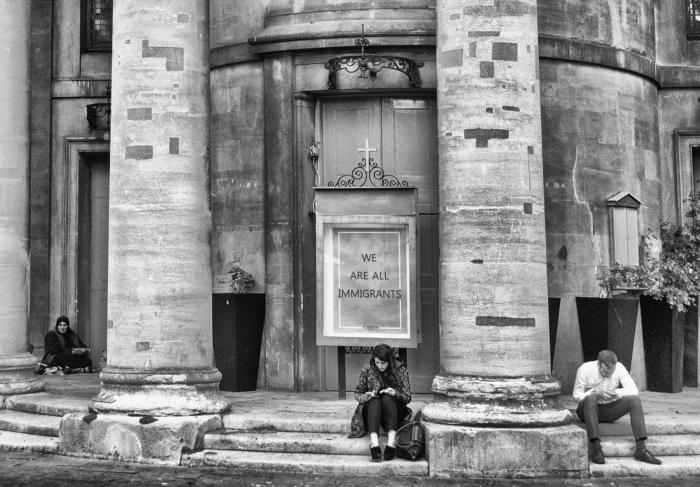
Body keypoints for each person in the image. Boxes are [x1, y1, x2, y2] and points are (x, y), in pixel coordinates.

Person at [573, 349, 661, 465]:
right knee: (590, 399)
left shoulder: (619, 367)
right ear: (599, 364)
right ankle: (596, 448)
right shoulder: (585, 369)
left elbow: (633, 390)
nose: (608, 375)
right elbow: (576, 396)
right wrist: (594, 393)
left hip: (608, 410)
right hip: (587, 410)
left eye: (611, 372)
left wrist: (616, 393)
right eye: (605, 372)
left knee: (634, 400)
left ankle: (641, 449)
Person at [348, 344, 412, 462]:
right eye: (377, 362)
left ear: (390, 361)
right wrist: (367, 396)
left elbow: (407, 397)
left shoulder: (401, 370)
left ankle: (391, 441)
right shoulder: (368, 368)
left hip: (394, 410)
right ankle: (374, 443)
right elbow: (357, 393)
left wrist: (395, 393)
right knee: (375, 400)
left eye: (383, 363)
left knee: (387, 397)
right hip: (373, 409)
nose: (380, 366)